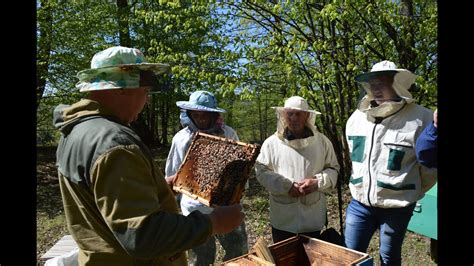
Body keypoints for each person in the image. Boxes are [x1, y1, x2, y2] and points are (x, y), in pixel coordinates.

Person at [53, 46, 244, 265]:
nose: (147, 101)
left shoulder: (75, 132)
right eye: (145, 92)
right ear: (123, 88)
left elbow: (105, 198)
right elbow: (142, 235)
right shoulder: (115, 143)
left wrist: (158, 187)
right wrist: (214, 223)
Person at [344, 60, 438, 265]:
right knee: (350, 255)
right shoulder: (356, 118)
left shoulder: (421, 118)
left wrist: (411, 191)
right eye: (372, 84)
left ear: (397, 84)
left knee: (389, 256)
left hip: (397, 206)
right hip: (360, 203)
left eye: (382, 83)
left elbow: (429, 167)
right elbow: (355, 159)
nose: (376, 89)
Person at [164, 90, 249, 265]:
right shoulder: (181, 140)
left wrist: (238, 189)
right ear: (189, 114)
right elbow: (173, 178)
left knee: (238, 254)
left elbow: (240, 169)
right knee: (200, 260)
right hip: (195, 209)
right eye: (197, 114)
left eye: (205, 114)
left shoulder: (229, 134)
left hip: (226, 206)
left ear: (214, 114)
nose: (201, 118)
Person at [254, 96, 340, 244]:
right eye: (290, 114)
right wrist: (286, 186)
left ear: (307, 115)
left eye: (298, 114)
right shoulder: (271, 143)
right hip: (282, 219)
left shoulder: (322, 142)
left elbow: (334, 168)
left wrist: (317, 182)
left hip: (312, 217)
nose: (294, 118)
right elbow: (261, 171)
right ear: (283, 115)